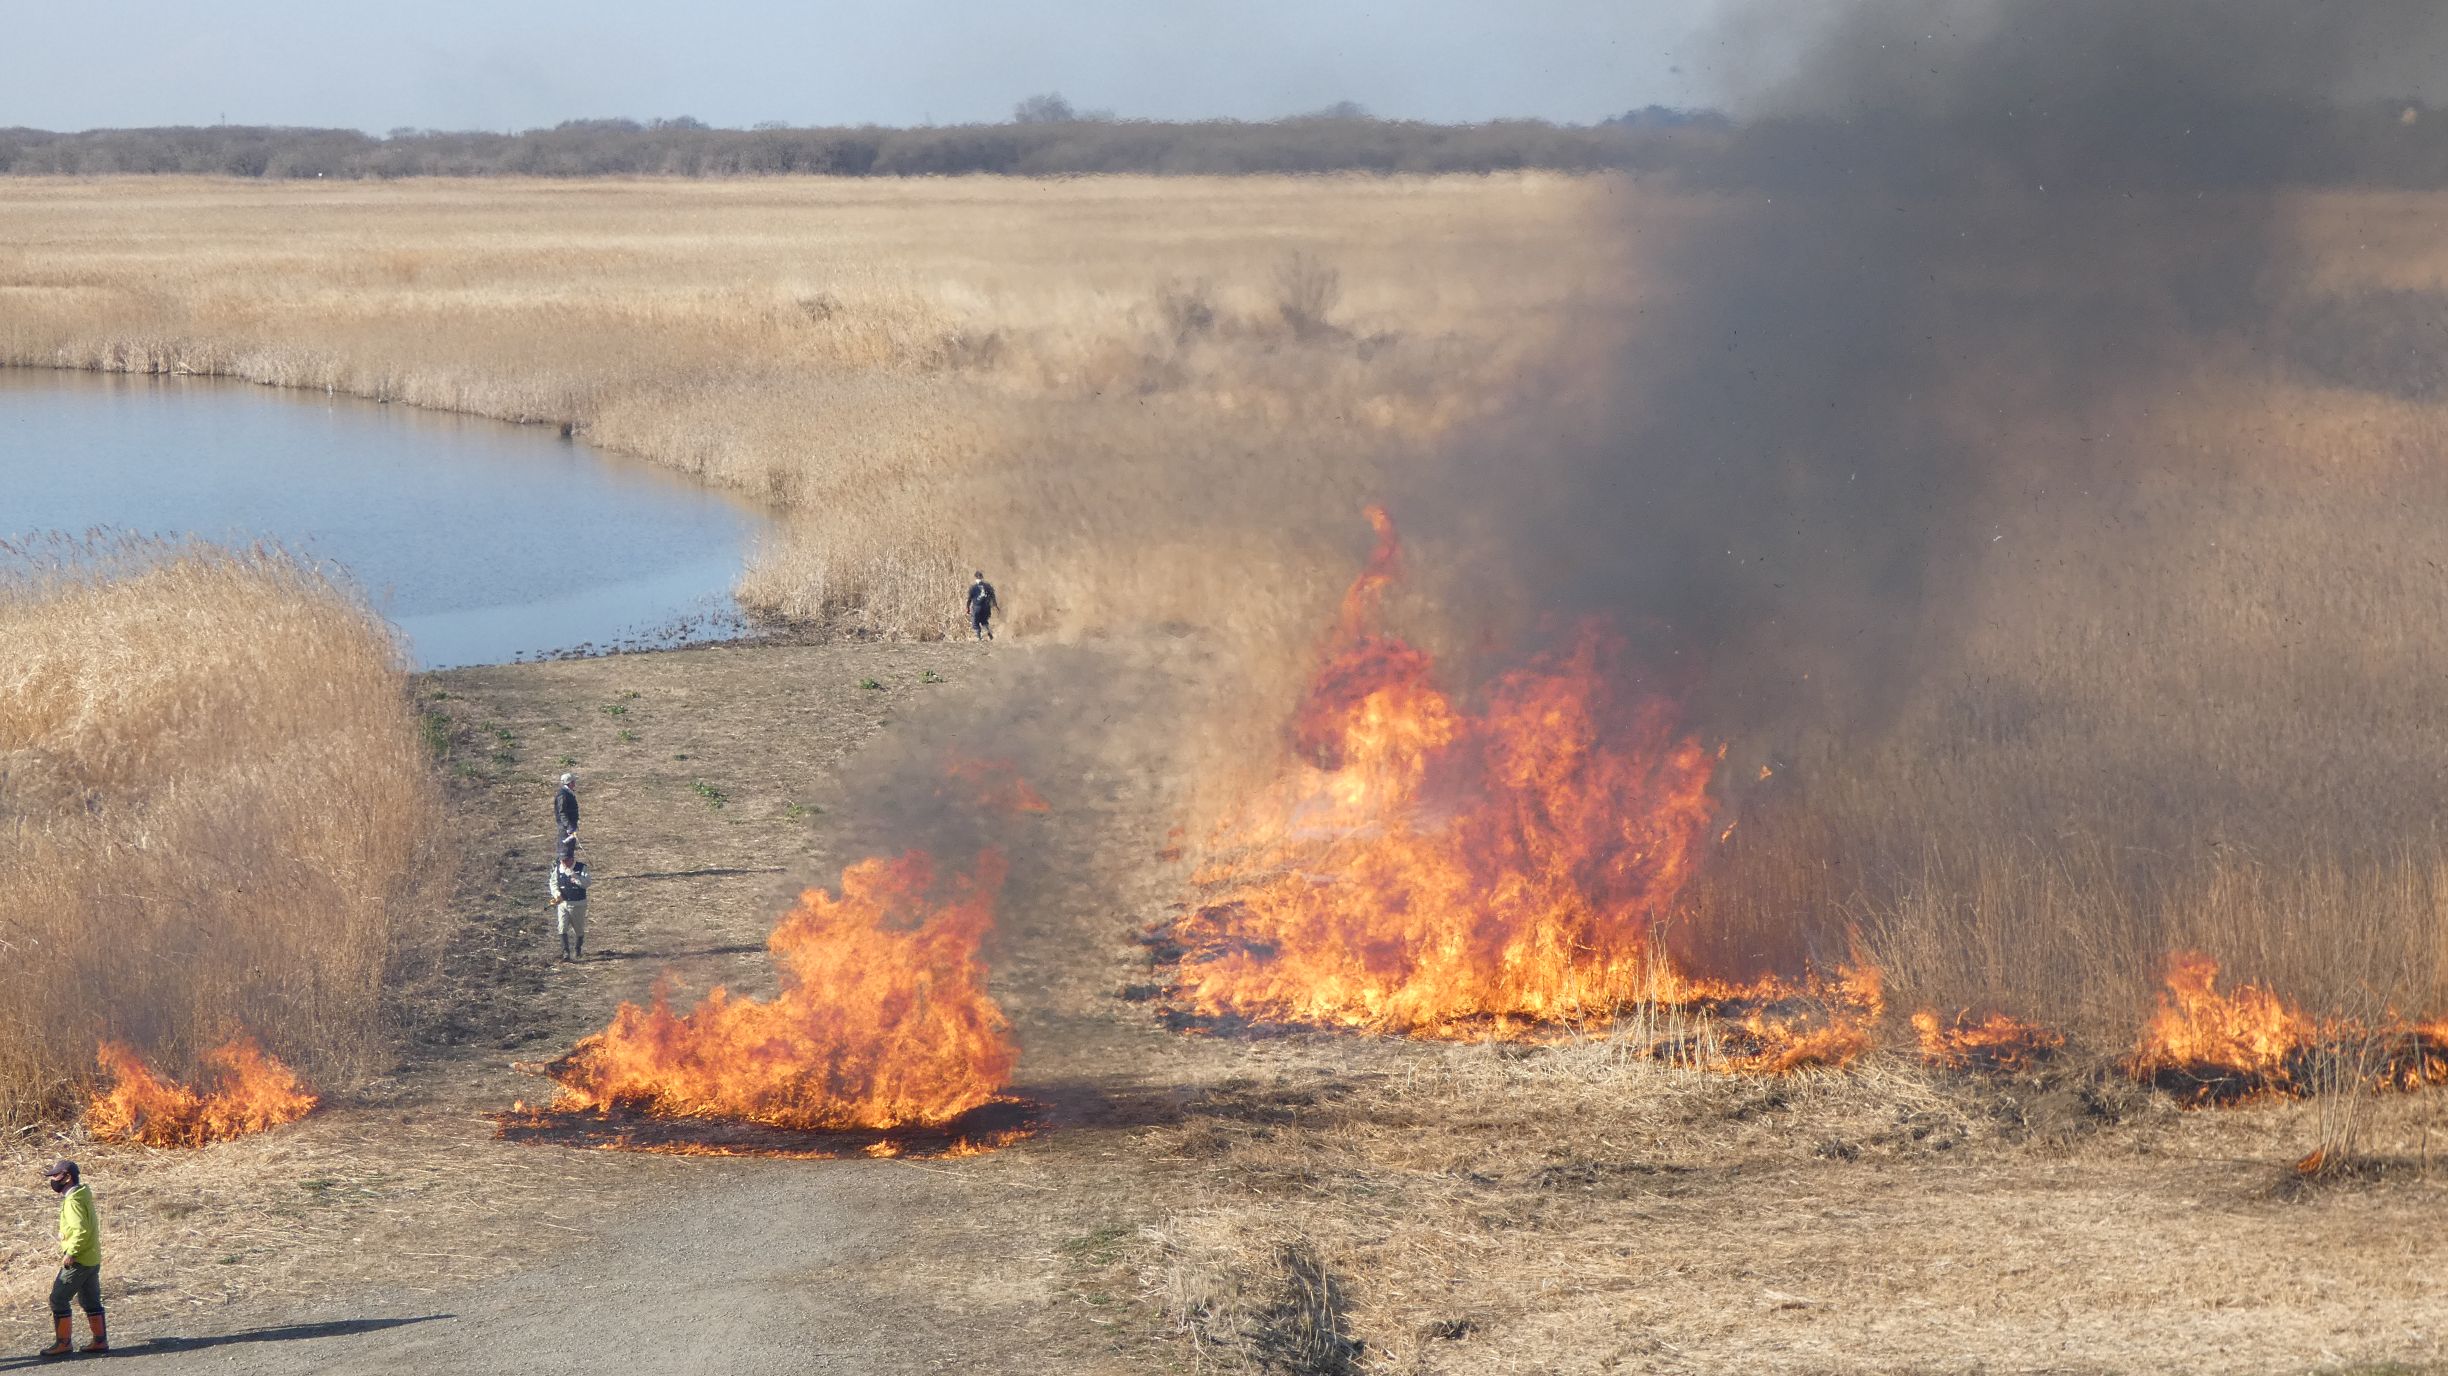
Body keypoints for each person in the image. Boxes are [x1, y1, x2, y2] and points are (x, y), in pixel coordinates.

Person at [40, 1160, 104, 1358]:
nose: (52, 1180)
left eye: (56, 1176)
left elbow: (81, 1230)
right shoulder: (82, 1195)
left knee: (58, 1299)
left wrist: (71, 1252)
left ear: (67, 1177)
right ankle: (100, 1342)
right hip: (92, 1258)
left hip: (79, 1260)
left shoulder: (73, 1201)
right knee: (90, 1300)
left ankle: (63, 1343)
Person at [550, 839, 591, 961]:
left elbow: (587, 883)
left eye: (565, 860)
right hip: (563, 904)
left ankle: (578, 949)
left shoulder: (582, 868)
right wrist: (557, 894)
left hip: (578, 904)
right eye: (562, 860)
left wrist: (575, 877)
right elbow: (553, 882)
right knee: (562, 927)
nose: (563, 863)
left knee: (578, 929)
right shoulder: (558, 869)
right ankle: (565, 952)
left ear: (571, 859)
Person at [966, 571, 998, 641]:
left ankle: (979, 637)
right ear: (982, 577)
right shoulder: (988, 586)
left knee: (975, 622)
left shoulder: (973, 587)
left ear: (975, 578)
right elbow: (993, 596)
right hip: (986, 607)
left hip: (977, 607)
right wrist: (995, 605)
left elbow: (969, 599)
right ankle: (988, 632)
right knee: (984, 621)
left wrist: (967, 608)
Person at [554, 771, 581, 845]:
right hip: (566, 828)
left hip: (571, 826)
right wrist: (568, 826)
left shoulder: (568, 793)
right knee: (565, 852)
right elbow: (562, 812)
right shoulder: (563, 795)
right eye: (573, 781)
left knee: (570, 850)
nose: (575, 783)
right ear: (570, 783)